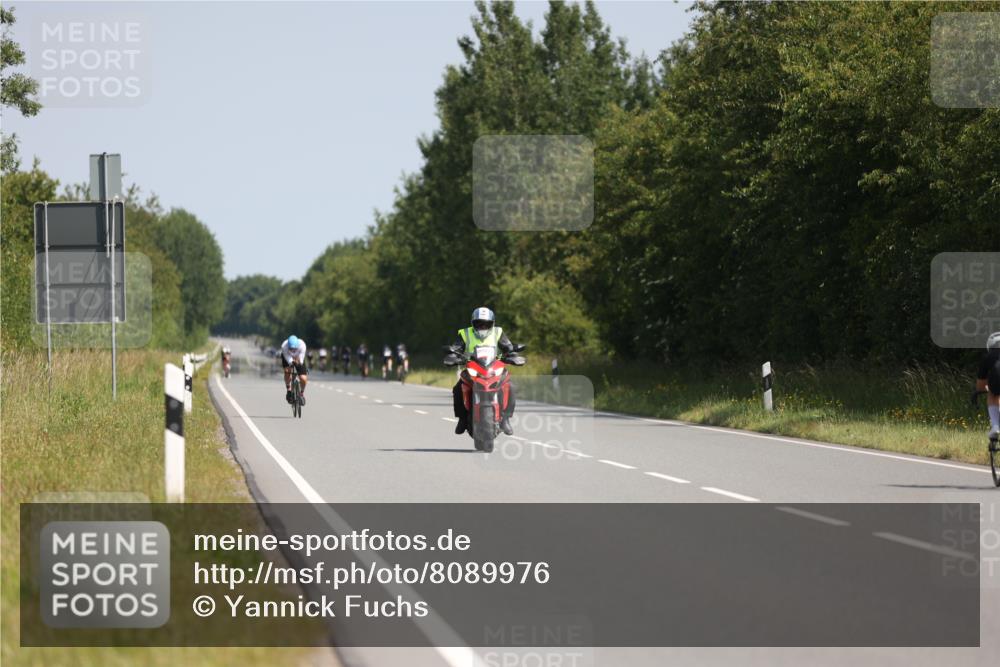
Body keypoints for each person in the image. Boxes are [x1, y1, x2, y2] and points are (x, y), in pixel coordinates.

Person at [451, 307, 516, 436]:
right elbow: (456, 348)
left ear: (492, 324)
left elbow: (508, 346)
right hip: (472, 368)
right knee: (458, 388)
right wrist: (454, 355)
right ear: (473, 323)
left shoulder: (498, 332)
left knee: (510, 386)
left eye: (486, 324)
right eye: (479, 324)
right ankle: (462, 419)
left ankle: (506, 419)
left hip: (494, 367)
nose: (482, 327)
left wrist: (512, 353)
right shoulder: (465, 333)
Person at [973, 331, 1000, 441]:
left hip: (997, 379)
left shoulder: (988, 357)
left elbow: (980, 386)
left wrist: (983, 390)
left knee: (992, 393)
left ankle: (996, 426)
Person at [280, 335, 309, 405]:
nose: (293, 350)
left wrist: (298, 364)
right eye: (291, 349)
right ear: (288, 346)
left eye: (294, 349)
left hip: (298, 357)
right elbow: (288, 358)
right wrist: (291, 363)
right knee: (287, 372)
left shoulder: (302, 345)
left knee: (303, 378)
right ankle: (289, 389)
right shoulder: (284, 346)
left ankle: (301, 394)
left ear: (297, 346)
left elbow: (301, 360)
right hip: (287, 358)